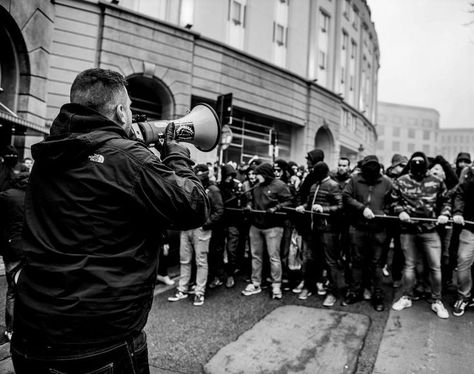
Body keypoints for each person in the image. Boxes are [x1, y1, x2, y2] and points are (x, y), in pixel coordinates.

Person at [10, 68, 209, 374]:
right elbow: (194, 206)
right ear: (119, 112)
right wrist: (176, 155)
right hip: (99, 339)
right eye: (129, 108)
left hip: (33, 332)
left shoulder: (49, 153)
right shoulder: (127, 157)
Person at [391, 152, 451, 319]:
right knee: (409, 266)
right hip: (408, 230)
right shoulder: (401, 181)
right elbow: (394, 200)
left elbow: (446, 200)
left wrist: (445, 214)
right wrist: (400, 211)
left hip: (430, 230)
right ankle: (406, 296)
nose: (418, 171)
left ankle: (437, 300)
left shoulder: (437, 181)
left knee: (435, 266)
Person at [342, 155, 393, 311]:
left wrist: (384, 213)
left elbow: (394, 203)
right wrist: (362, 208)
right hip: (358, 228)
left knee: (376, 264)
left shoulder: (386, 182)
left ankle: (377, 295)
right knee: (356, 262)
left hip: (378, 230)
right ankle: (355, 292)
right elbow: (346, 196)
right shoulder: (355, 180)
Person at [168, 164, 223, 306]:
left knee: (201, 261)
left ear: (205, 173)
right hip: (187, 228)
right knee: (185, 260)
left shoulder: (212, 190)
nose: (197, 174)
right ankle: (182, 289)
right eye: (196, 172)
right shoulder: (189, 185)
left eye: (200, 172)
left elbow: (219, 211)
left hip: (201, 229)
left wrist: (205, 223)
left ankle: (199, 292)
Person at [241, 163, 293, 299]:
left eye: (258, 174)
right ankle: (256, 282)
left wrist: (277, 208)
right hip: (256, 225)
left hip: (273, 227)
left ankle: (276, 284)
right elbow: (251, 200)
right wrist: (248, 206)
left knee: (273, 257)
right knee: (256, 256)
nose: (256, 177)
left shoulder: (280, 185)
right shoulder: (257, 186)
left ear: (265, 174)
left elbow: (289, 201)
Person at [295, 161, 342, 306]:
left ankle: (332, 292)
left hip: (328, 230)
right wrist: (302, 207)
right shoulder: (314, 186)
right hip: (313, 228)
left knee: (330, 262)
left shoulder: (333, 186)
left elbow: (341, 207)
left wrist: (324, 209)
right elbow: (309, 203)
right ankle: (309, 286)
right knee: (310, 259)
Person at [0, 171, 29, 341]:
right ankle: (20, 328)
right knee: (24, 289)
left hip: (11, 247)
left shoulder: (7, 196)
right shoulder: (34, 195)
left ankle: (11, 329)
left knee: (12, 291)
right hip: (29, 247)